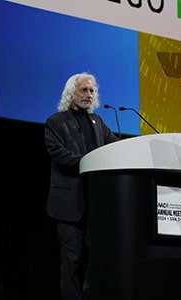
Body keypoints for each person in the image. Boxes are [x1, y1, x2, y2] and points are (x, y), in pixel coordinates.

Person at [44, 72, 120, 300]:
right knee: (72, 260)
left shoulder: (98, 122)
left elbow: (113, 146)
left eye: (91, 91)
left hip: (95, 202)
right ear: (71, 93)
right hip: (69, 205)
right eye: (84, 90)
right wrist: (88, 162)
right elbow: (58, 153)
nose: (89, 95)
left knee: (96, 260)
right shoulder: (55, 122)